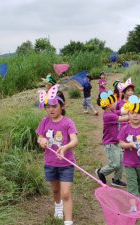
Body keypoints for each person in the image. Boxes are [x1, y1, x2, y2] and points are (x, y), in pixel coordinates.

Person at [36, 85, 78, 225]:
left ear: (62, 105)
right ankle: (58, 206)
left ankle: (68, 221)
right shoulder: (44, 121)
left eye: (54, 106)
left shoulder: (68, 122)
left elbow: (74, 140)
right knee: (55, 190)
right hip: (50, 164)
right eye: (47, 106)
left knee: (65, 193)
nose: (50, 109)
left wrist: (65, 147)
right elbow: (39, 137)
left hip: (66, 164)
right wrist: (42, 140)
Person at [117, 95, 140, 212]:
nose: (135, 115)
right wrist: (130, 145)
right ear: (128, 115)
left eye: (138, 113)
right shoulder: (125, 129)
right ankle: (133, 206)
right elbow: (121, 143)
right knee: (132, 185)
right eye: (132, 113)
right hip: (129, 163)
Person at [95, 91, 128, 187]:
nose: (116, 103)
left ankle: (116, 180)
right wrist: (133, 117)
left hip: (116, 142)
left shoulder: (112, 111)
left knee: (121, 161)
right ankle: (101, 172)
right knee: (115, 164)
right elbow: (123, 118)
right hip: (110, 144)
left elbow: (122, 112)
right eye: (114, 102)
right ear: (109, 105)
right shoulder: (108, 115)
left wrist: (132, 109)